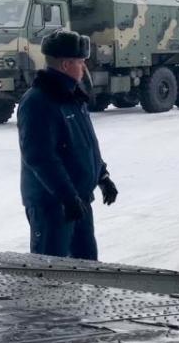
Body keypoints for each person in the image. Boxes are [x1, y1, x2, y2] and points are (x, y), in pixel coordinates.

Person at [17, 29, 118, 260]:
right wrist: (66, 197)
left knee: (87, 268)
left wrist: (102, 177)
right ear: (65, 65)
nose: (84, 68)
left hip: (77, 201)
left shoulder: (73, 96)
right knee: (52, 274)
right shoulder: (38, 102)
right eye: (80, 63)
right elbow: (39, 157)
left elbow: (86, 145)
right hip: (53, 206)